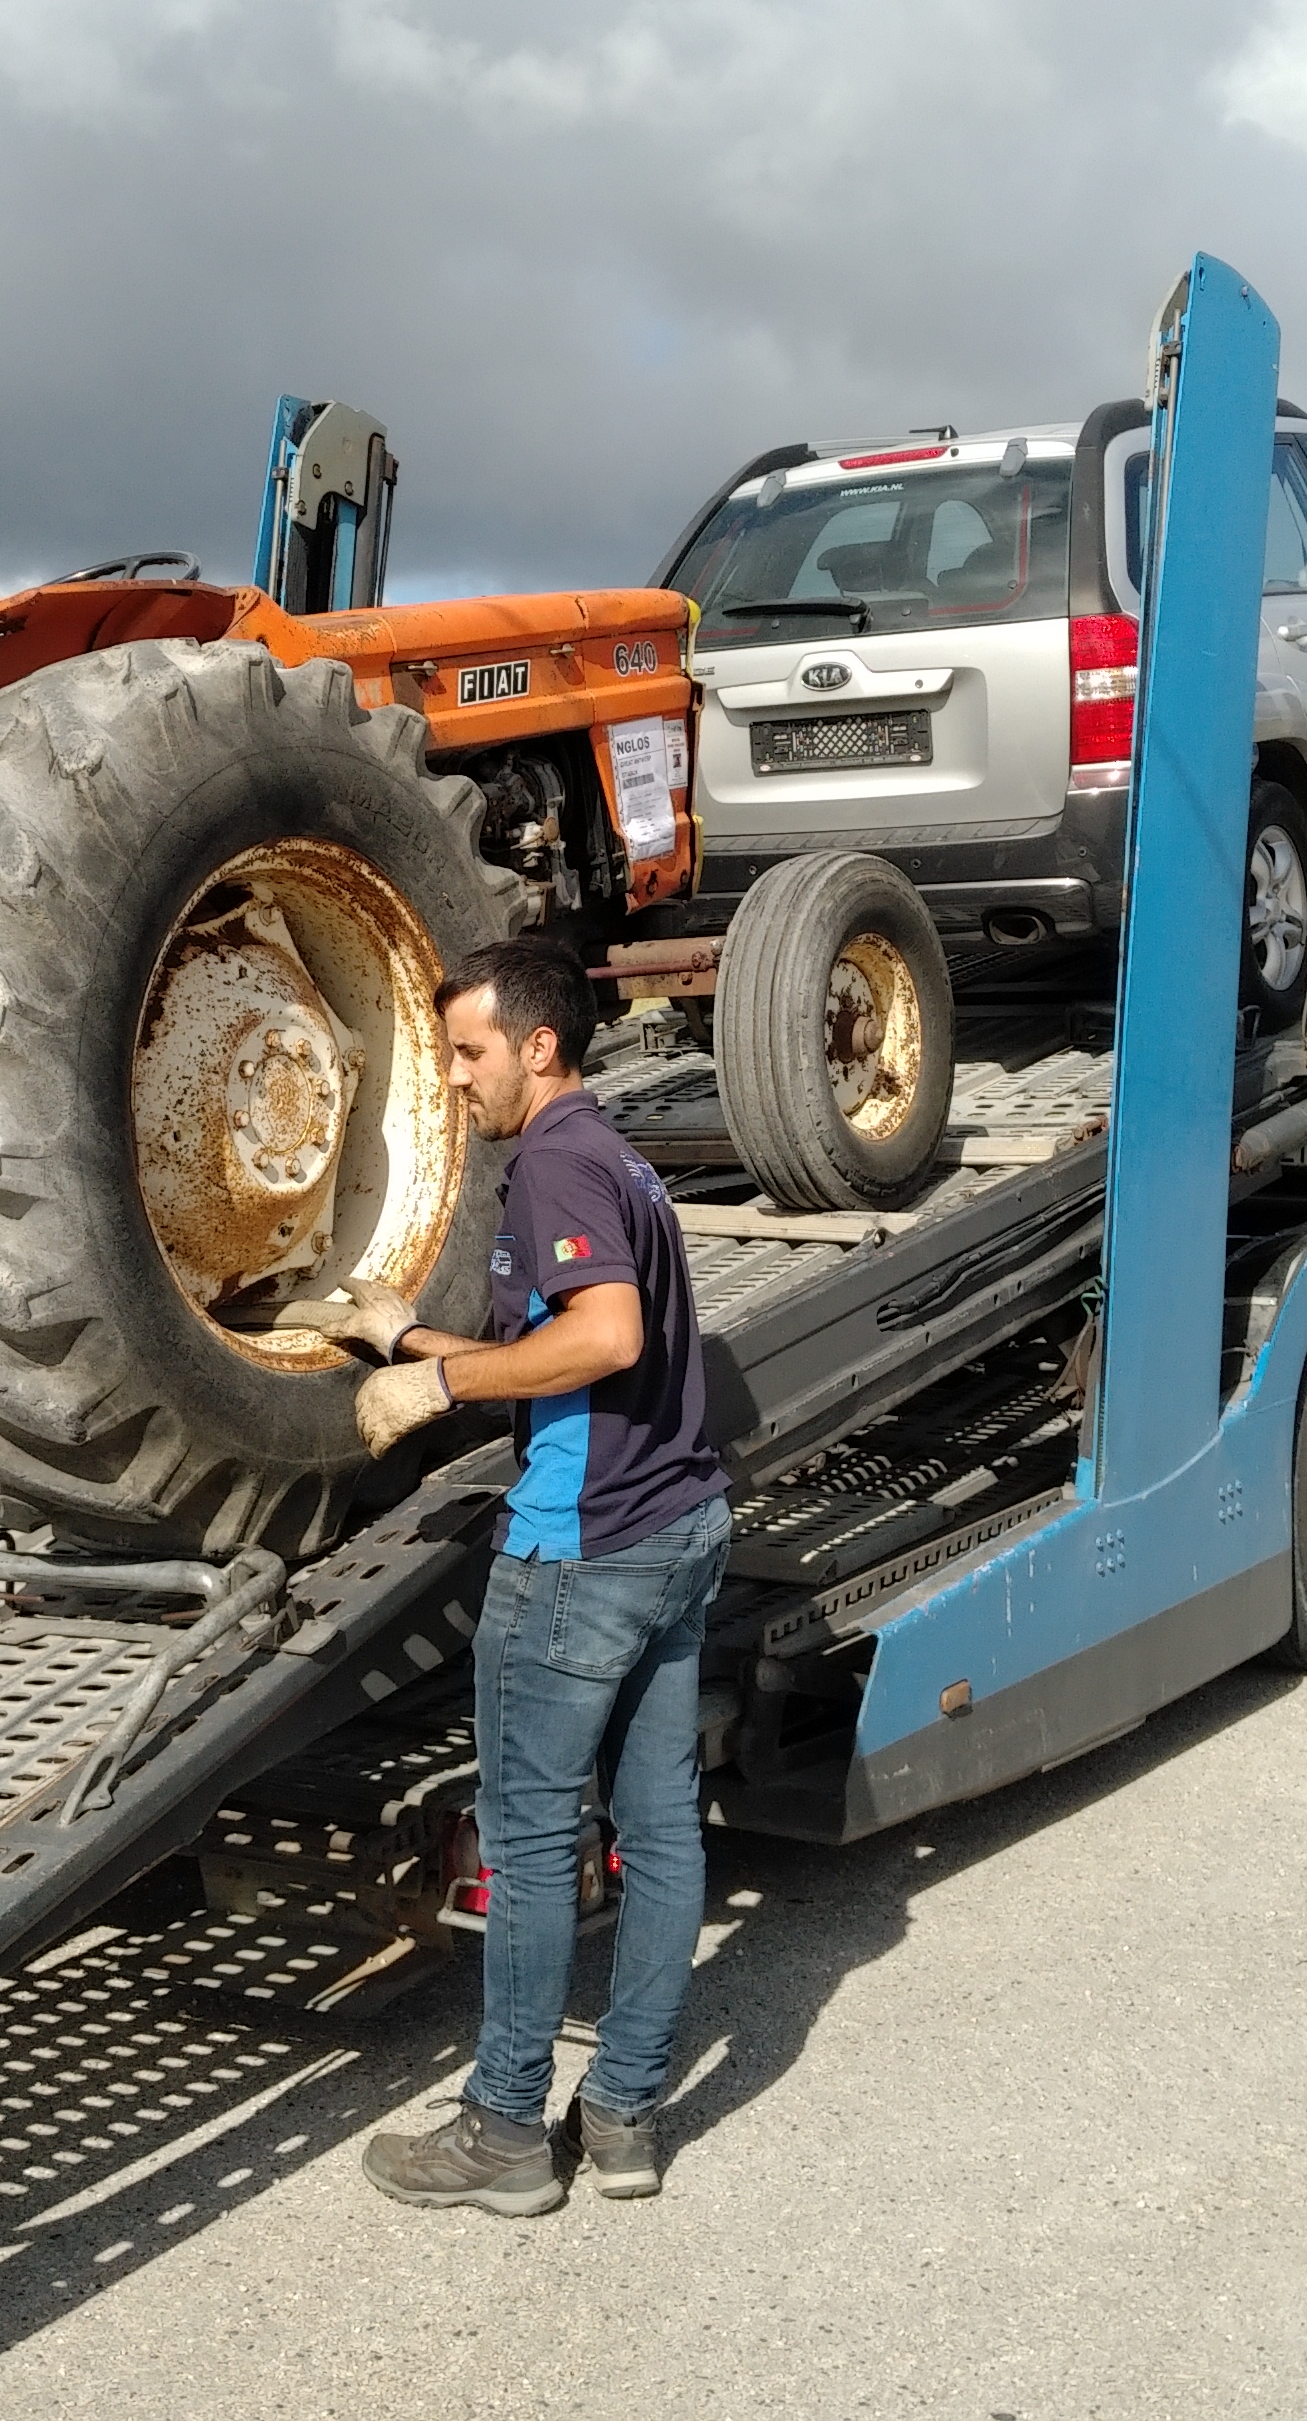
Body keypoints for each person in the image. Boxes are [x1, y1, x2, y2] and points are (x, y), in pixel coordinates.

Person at [331, 936, 731, 2217]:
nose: (453, 1079)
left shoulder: (552, 1162)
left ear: (539, 1046)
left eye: (468, 1051)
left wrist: (435, 1383)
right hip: (677, 1522)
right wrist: (411, 1335)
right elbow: (572, 1344)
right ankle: (620, 2117)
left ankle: (505, 2129)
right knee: (662, 1832)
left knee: (534, 1836)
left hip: (581, 1552)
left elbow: (602, 1338)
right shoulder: (612, 1155)